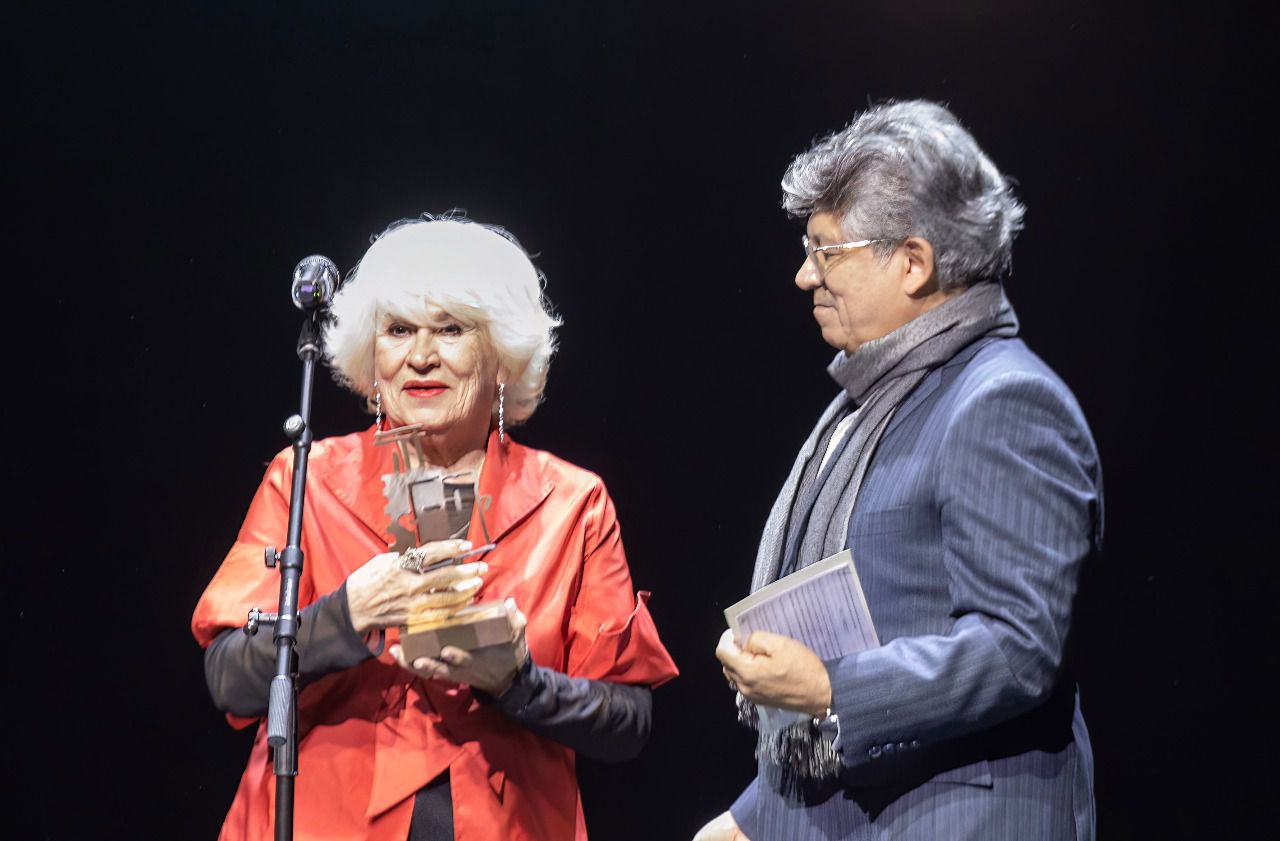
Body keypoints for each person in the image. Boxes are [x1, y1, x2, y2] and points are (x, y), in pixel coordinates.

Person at [192, 214, 678, 841]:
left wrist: (518, 682)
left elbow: (628, 721)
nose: (421, 356)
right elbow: (228, 677)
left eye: (450, 329)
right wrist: (346, 616)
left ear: (501, 357)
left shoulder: (571, 502)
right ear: (372, 355)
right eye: (398, 330)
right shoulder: (306, 480)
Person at [699, 100, 1102, 840]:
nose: (804, 275)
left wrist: (829, 686)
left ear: (913, 262)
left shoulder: (1004, 401)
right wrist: (756, 816)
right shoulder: (869, 402)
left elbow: (1017, 649)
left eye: (826, 251)